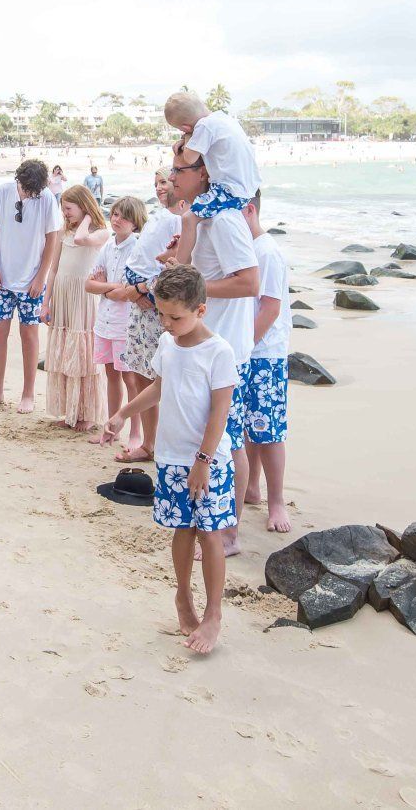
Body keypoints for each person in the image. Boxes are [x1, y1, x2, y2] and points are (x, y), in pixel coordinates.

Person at [108, 264, 237, 655]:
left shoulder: (219, 351)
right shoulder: (167, 344)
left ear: (201, 310)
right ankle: (184, 597)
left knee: (209, 534)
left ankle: (214, 614)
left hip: (208, 459)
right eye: (161, 313)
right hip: (171, 456)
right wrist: (123, 413)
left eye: (174, 316)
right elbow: (159, 389)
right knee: (182, 529)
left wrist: (203, 459)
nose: (165, 323)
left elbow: (220, 413)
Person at [167, 153, 259, 556]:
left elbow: (249, 282)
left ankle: (230, 533)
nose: (171, 177)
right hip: (204, 343)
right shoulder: (204, 217)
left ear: (202, 173)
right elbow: (186, 267)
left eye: (178, 171)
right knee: (217, 437)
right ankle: (217, 526)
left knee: (229, 442)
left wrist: (195, 288)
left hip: (226, 349)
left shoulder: (223, 220)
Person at [111, 170, 183, 462]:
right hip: (139, 306)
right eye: (156, 184)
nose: (160, 188)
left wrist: (140, 290)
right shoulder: (160, 216)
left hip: (156, 307)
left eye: (165, 182)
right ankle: (149, 444)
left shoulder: (181, 219)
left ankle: (162, 445)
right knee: (141, 374)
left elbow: (178, 269)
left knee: (158, 378)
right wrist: (135, 291)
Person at [162, 92, 261, 299]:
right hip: (244, 188)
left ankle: (178, 269)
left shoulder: (204, 127)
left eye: (177, 171)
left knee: (189, 218)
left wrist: (185, 141)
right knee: (193, 219)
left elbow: (189, 157)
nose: (171, 178)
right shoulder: (223, 118)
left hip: (228, 190)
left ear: (186, 127)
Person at [0, 159, 60, 412]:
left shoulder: (46, 197)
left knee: (29, 334)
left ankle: (28, 394)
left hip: (31, 281)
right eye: (27, 189)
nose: (30, 194)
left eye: (34, 191)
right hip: (2, 279)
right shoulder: (3, 192)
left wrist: (41, 277)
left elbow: (52, 239)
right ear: (19, 181)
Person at [240, 191, 292, 532]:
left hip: (265, 352)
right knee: (249, 425)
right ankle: (252, 487)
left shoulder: (268, 252)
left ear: (249, 210)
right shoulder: (246, 250)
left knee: (269, 430)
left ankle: (277, 501)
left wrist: (246, 346)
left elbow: (270, 309)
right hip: (247, 348)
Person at [45, 186, 109, 431]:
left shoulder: (101, 232)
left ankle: (87, 414)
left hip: (83, 297)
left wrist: (89, 218)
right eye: (63, 209)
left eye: (69, 208)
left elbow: (83, 240)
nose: (65, 213)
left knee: (83, 355)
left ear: (84, 206)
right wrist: (45, 302)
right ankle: (70, 412)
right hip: (62, 295)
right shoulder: (64, 232)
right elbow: (53, 269)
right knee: (65, 355)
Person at [85, 196, 144, 447]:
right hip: (105, 322)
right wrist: (111, 286)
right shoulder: (108, 246)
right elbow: (89, 284)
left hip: (126, 325)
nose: (117, 220)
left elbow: (129, 291)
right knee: (110, 375)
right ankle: (111, 428)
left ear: (136, 222)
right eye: (115, 214)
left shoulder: (137, 248)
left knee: (130, 379)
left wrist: (106, 287)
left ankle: (135, 432)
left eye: (124, 216)